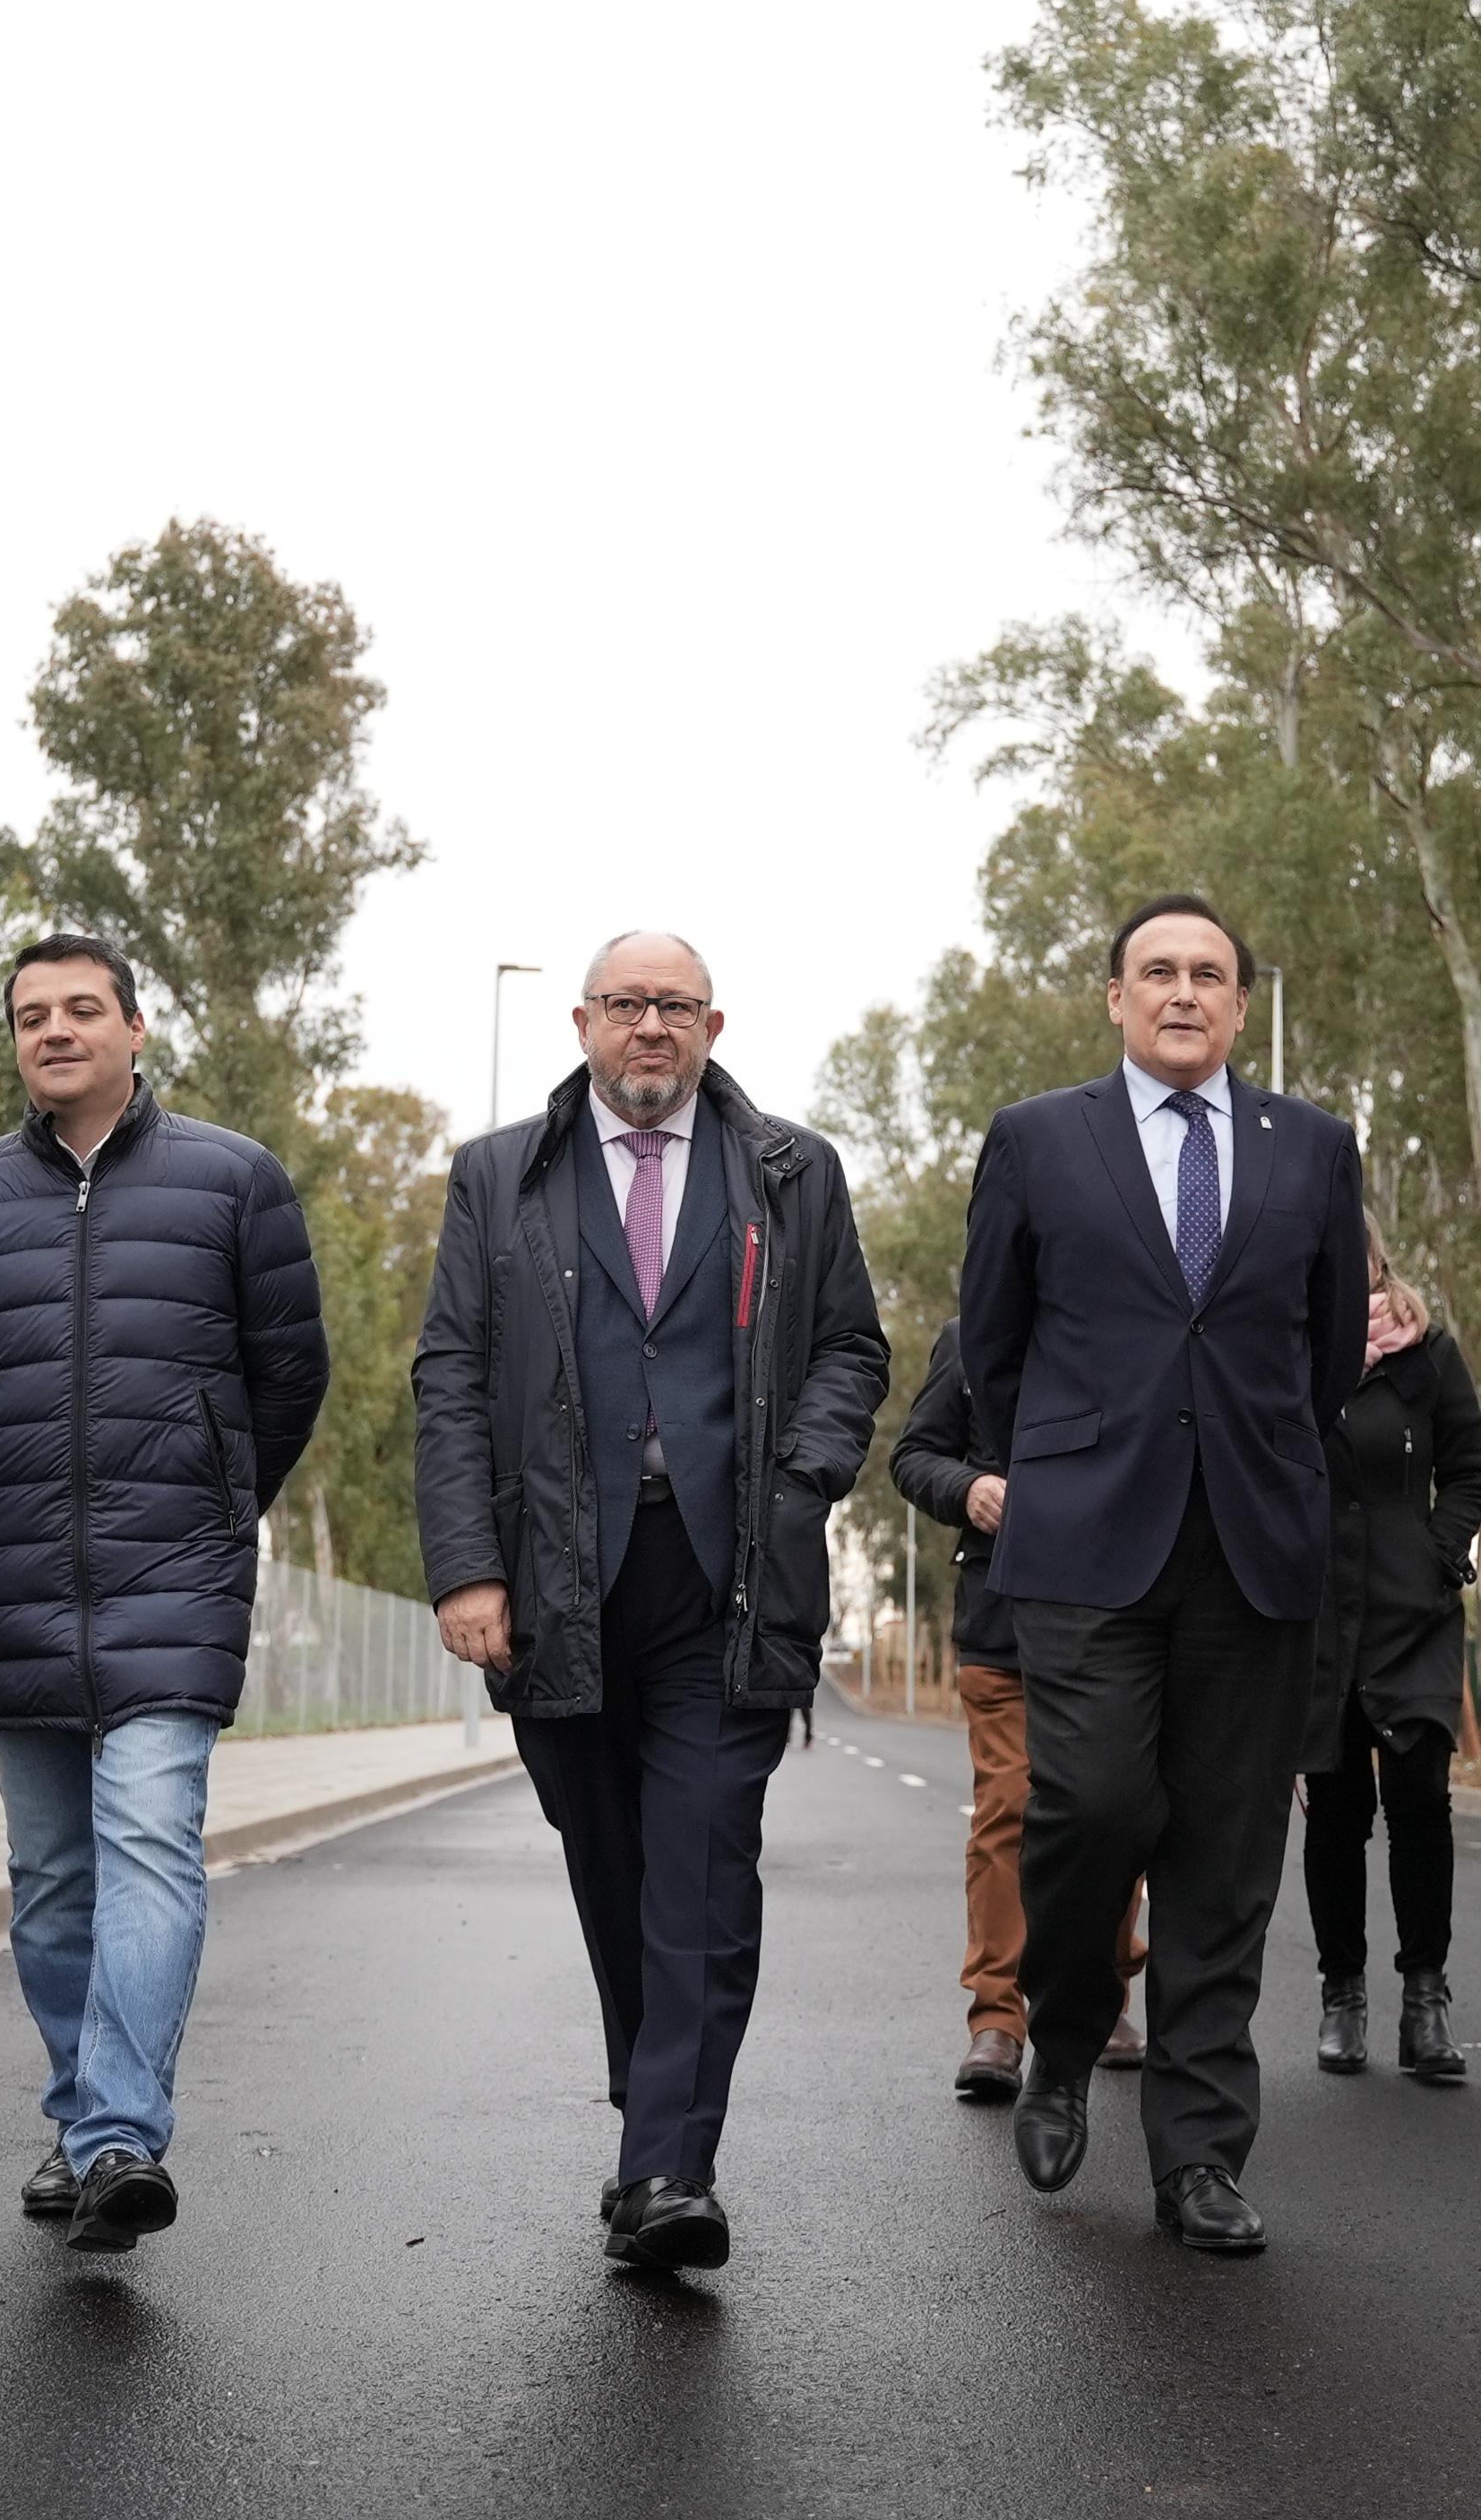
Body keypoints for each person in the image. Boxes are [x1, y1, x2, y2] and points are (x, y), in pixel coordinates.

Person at [415, 930, 887, 2272]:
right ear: (581, 1023)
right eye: (626, 1005)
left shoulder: (791, 1173)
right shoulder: (499, 1176)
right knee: (609, 1860)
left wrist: (800, 1480)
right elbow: (450, 1373)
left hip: (724, 1577)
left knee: (700, 1863)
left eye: (674, 1007)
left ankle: (673, 2164)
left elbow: (854, 1345)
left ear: (714, 1027)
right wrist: (467, 1566)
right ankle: (653, 2104)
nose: (649, 1029)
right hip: (556, 1577)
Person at [0, 933, 331, 2255]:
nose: (57, 1031)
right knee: (48, 1878)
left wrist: (210, 1495)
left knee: (149, 1843)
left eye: (84, 1009)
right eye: (33, 1014)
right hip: (17, 1575)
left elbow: (288, 1376)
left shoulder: (233, 1181)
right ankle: (84, 2107)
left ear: (137, 1030)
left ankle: (118, 2137)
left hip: (177, 1571)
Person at [954, 894, 1365, 2256]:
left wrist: (1268, 1467)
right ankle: (1065, 2040)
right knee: (1093, 1802)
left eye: (1210, 974)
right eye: (1158, 972)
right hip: (1085, 1543)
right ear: (1115, 999)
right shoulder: (1035, 1139)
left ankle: (1198, 2155)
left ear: (1240, 1005)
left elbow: (1322, 1358)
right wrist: (1068, 1468)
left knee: (1229, 1857)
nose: (1184, 992)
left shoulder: (1313, 1148)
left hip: (1255, 1545)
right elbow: (994, 1347)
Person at [892, 1318, 1149, 2099]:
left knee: (1110, 1810)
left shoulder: (1129, 1322)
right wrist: (967, 1489)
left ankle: (1097, 2000)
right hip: (1001, 1621)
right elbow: (913, 1457)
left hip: (1114, 1613)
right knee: (1008, 1807)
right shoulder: (970, 1336)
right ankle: (997, 2022)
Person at [1302, 1222, 1481, 2085]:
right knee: (1336, 1816)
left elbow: (1469, 1471)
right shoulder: (1288, 1354)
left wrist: (1441, 1555)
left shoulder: (1428, 1355)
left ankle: (1426, 2000)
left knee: (1420, 1802)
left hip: (1412, 1616)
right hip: (1321, 1621)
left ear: (1377, 1261)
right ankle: (1342, 1997)